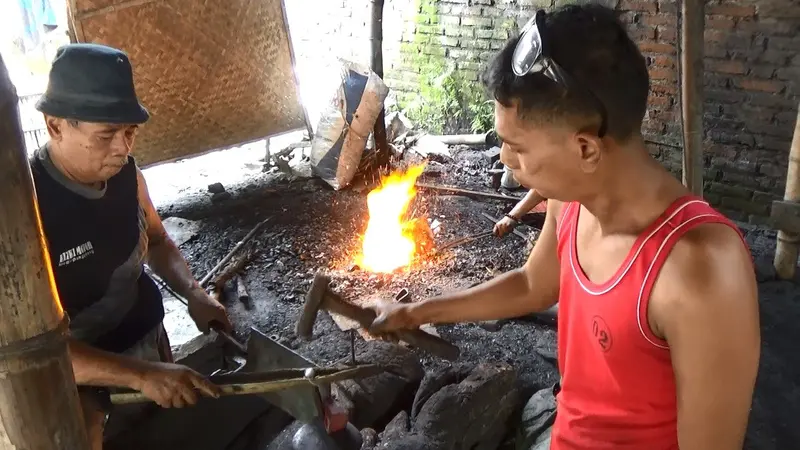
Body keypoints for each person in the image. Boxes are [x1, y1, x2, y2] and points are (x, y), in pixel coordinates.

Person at [371, 4, 760, 450]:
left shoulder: (699, 269)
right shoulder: (570, 202)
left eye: (516, 147)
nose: (504, 159)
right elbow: (532, 285)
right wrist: (419, 311)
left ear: (586, 150)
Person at [30, 43, 233, 448]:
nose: (123, 148)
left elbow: (156, 240)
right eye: (106, 135)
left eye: (129, 132)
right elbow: (36, 353)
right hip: (83, 378)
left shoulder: (127, 175)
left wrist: (194, 295)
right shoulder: (26, 209)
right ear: (55, 125)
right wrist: (140, 376)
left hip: (146, 338)